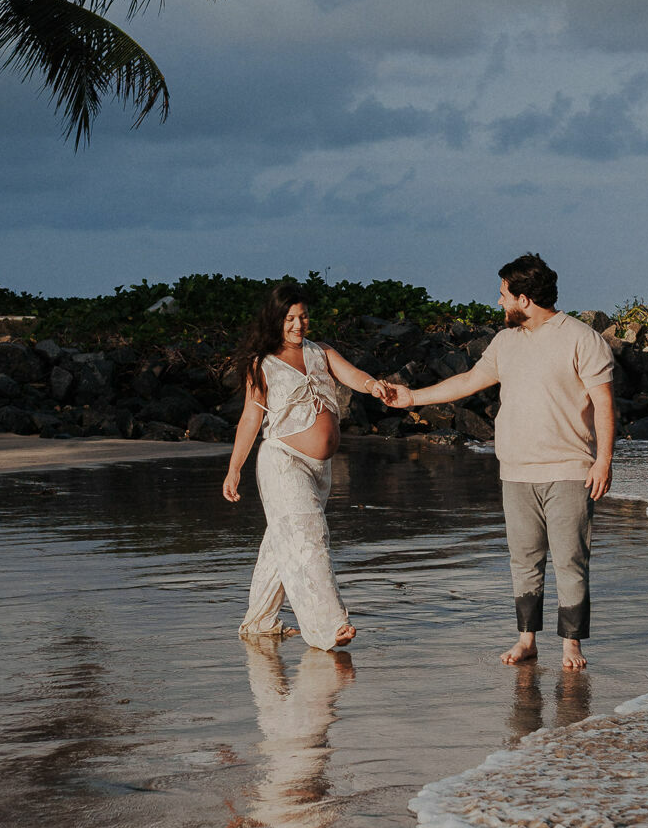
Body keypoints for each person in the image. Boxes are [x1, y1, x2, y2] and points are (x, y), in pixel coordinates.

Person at [384, 253, 615, 670]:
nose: (498, 303)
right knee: (524, 559)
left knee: (569, 560)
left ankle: (571, 645)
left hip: (569, 470)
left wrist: (604, 462)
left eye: (503, 295)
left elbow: (603, 404)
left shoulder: (582, 338)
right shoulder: (505, 342)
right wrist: (412, 397)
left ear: (524, 299)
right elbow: (469, 381)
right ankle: (526, 639)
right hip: (516, 471)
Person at [223, 281, 386, 650]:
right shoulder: (261, 363)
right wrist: (234, 469)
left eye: (303, 317)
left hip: (319, 470)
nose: (299, 325)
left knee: (282, 542)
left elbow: (352, 375)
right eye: (290, 318)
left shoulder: (321, 351)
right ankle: (329, 627)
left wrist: (374, 386)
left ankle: (259, 622)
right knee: (311, 537)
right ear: (275, 320)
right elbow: (251, 417)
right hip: (282, 462)